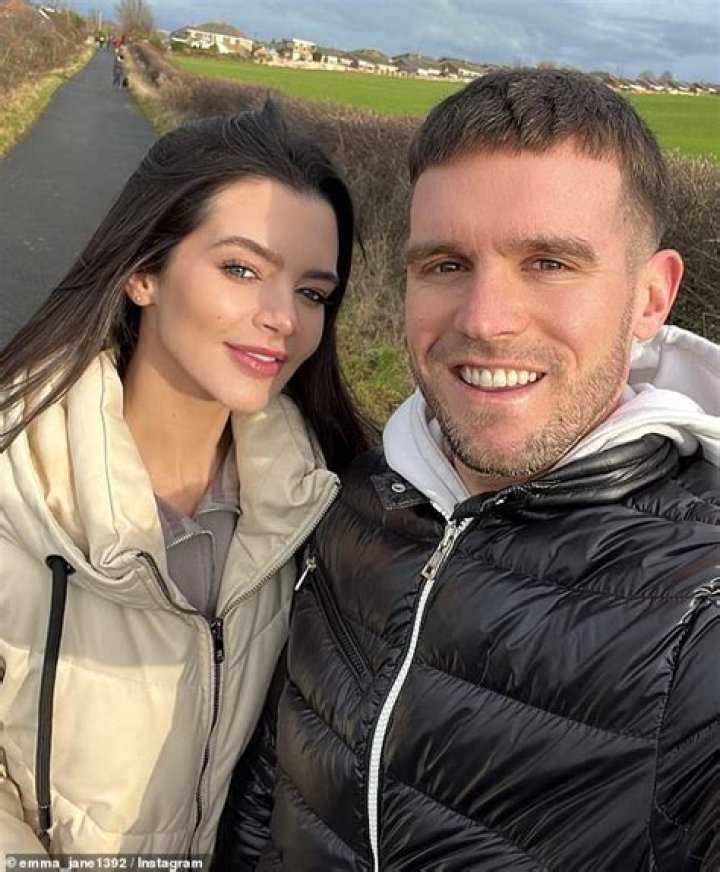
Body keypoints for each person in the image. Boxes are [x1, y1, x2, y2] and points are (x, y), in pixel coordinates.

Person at [214, 69, 719, 870]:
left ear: (652, 297)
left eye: (549, 263)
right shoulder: (354, 499)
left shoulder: (700, 606)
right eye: (446, 265)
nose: (484, 320)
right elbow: (274, 786)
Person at [0, 103, 374, 858]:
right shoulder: (17, 489)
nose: (283, 318)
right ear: (144, 272)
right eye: (242, 270)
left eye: (312, 292)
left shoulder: (327, 508)